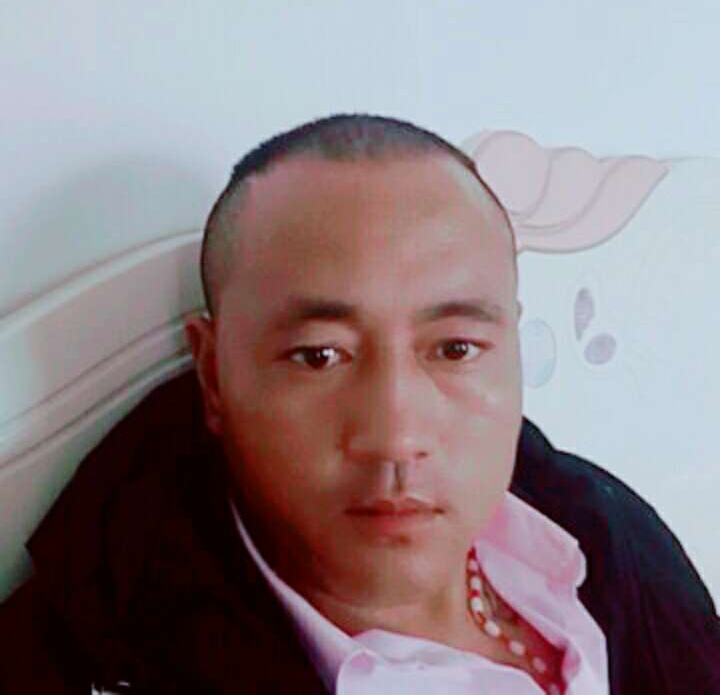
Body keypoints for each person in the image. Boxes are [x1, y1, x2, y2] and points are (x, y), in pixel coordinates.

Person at [0, 114, 718, 694]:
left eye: (455, 349)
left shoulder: (603, 535)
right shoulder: (63, 666)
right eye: (319, 356)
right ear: (213, 375)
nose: (397, 436)